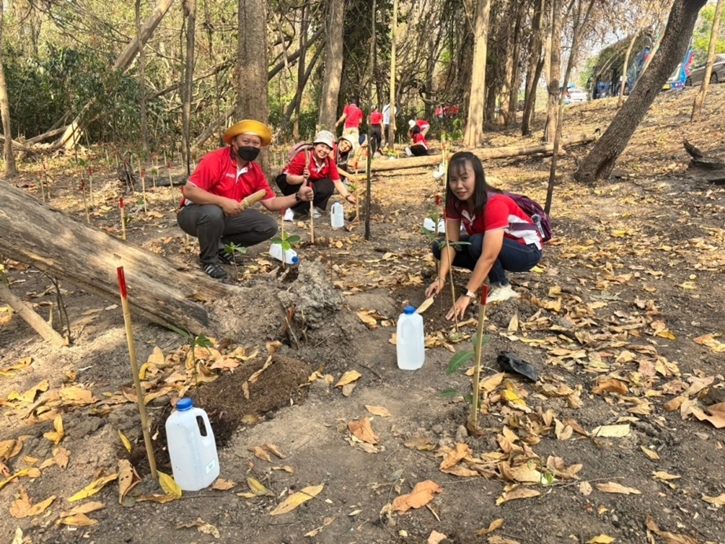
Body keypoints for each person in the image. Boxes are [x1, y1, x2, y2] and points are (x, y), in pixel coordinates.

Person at [177, 119, 313, 280]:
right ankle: (208, 260)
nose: (251, 146)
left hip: (227, 217)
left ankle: (222, 247)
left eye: (256, 143)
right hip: (193, 214)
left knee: (268, 226)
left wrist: (298, 196)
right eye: (246, 141)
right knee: (213, 212)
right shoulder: (215, 160)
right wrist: (222, 201)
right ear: (234, 142)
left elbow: (271, 203)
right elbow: (189, 191)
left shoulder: (254, 171)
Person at [424, 152, 543, 319]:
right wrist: (441, 278)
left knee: (477, 243)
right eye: (453, 180)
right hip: (491, 244)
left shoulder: (494, 203)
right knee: (439, 246)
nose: (459, 185)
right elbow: (451, 242)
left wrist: (467, 294)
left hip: (526, 251)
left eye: (465, 178)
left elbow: (489, 254)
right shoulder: (455, 202)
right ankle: (483, 276)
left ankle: (501, 286)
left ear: (478, 178)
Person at [276, 130, 356, 220]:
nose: (323, 150)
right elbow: (289, 179)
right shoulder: (304, 156)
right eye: (322, 146)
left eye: (327, 148)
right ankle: (292, 209)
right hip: (289, 182)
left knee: (328, 184)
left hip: (308, 182)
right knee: (309, 186)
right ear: (315, 146)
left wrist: (347, 196)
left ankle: (312, 207)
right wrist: (303, 178)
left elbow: (337, 181)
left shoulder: (329, 162)